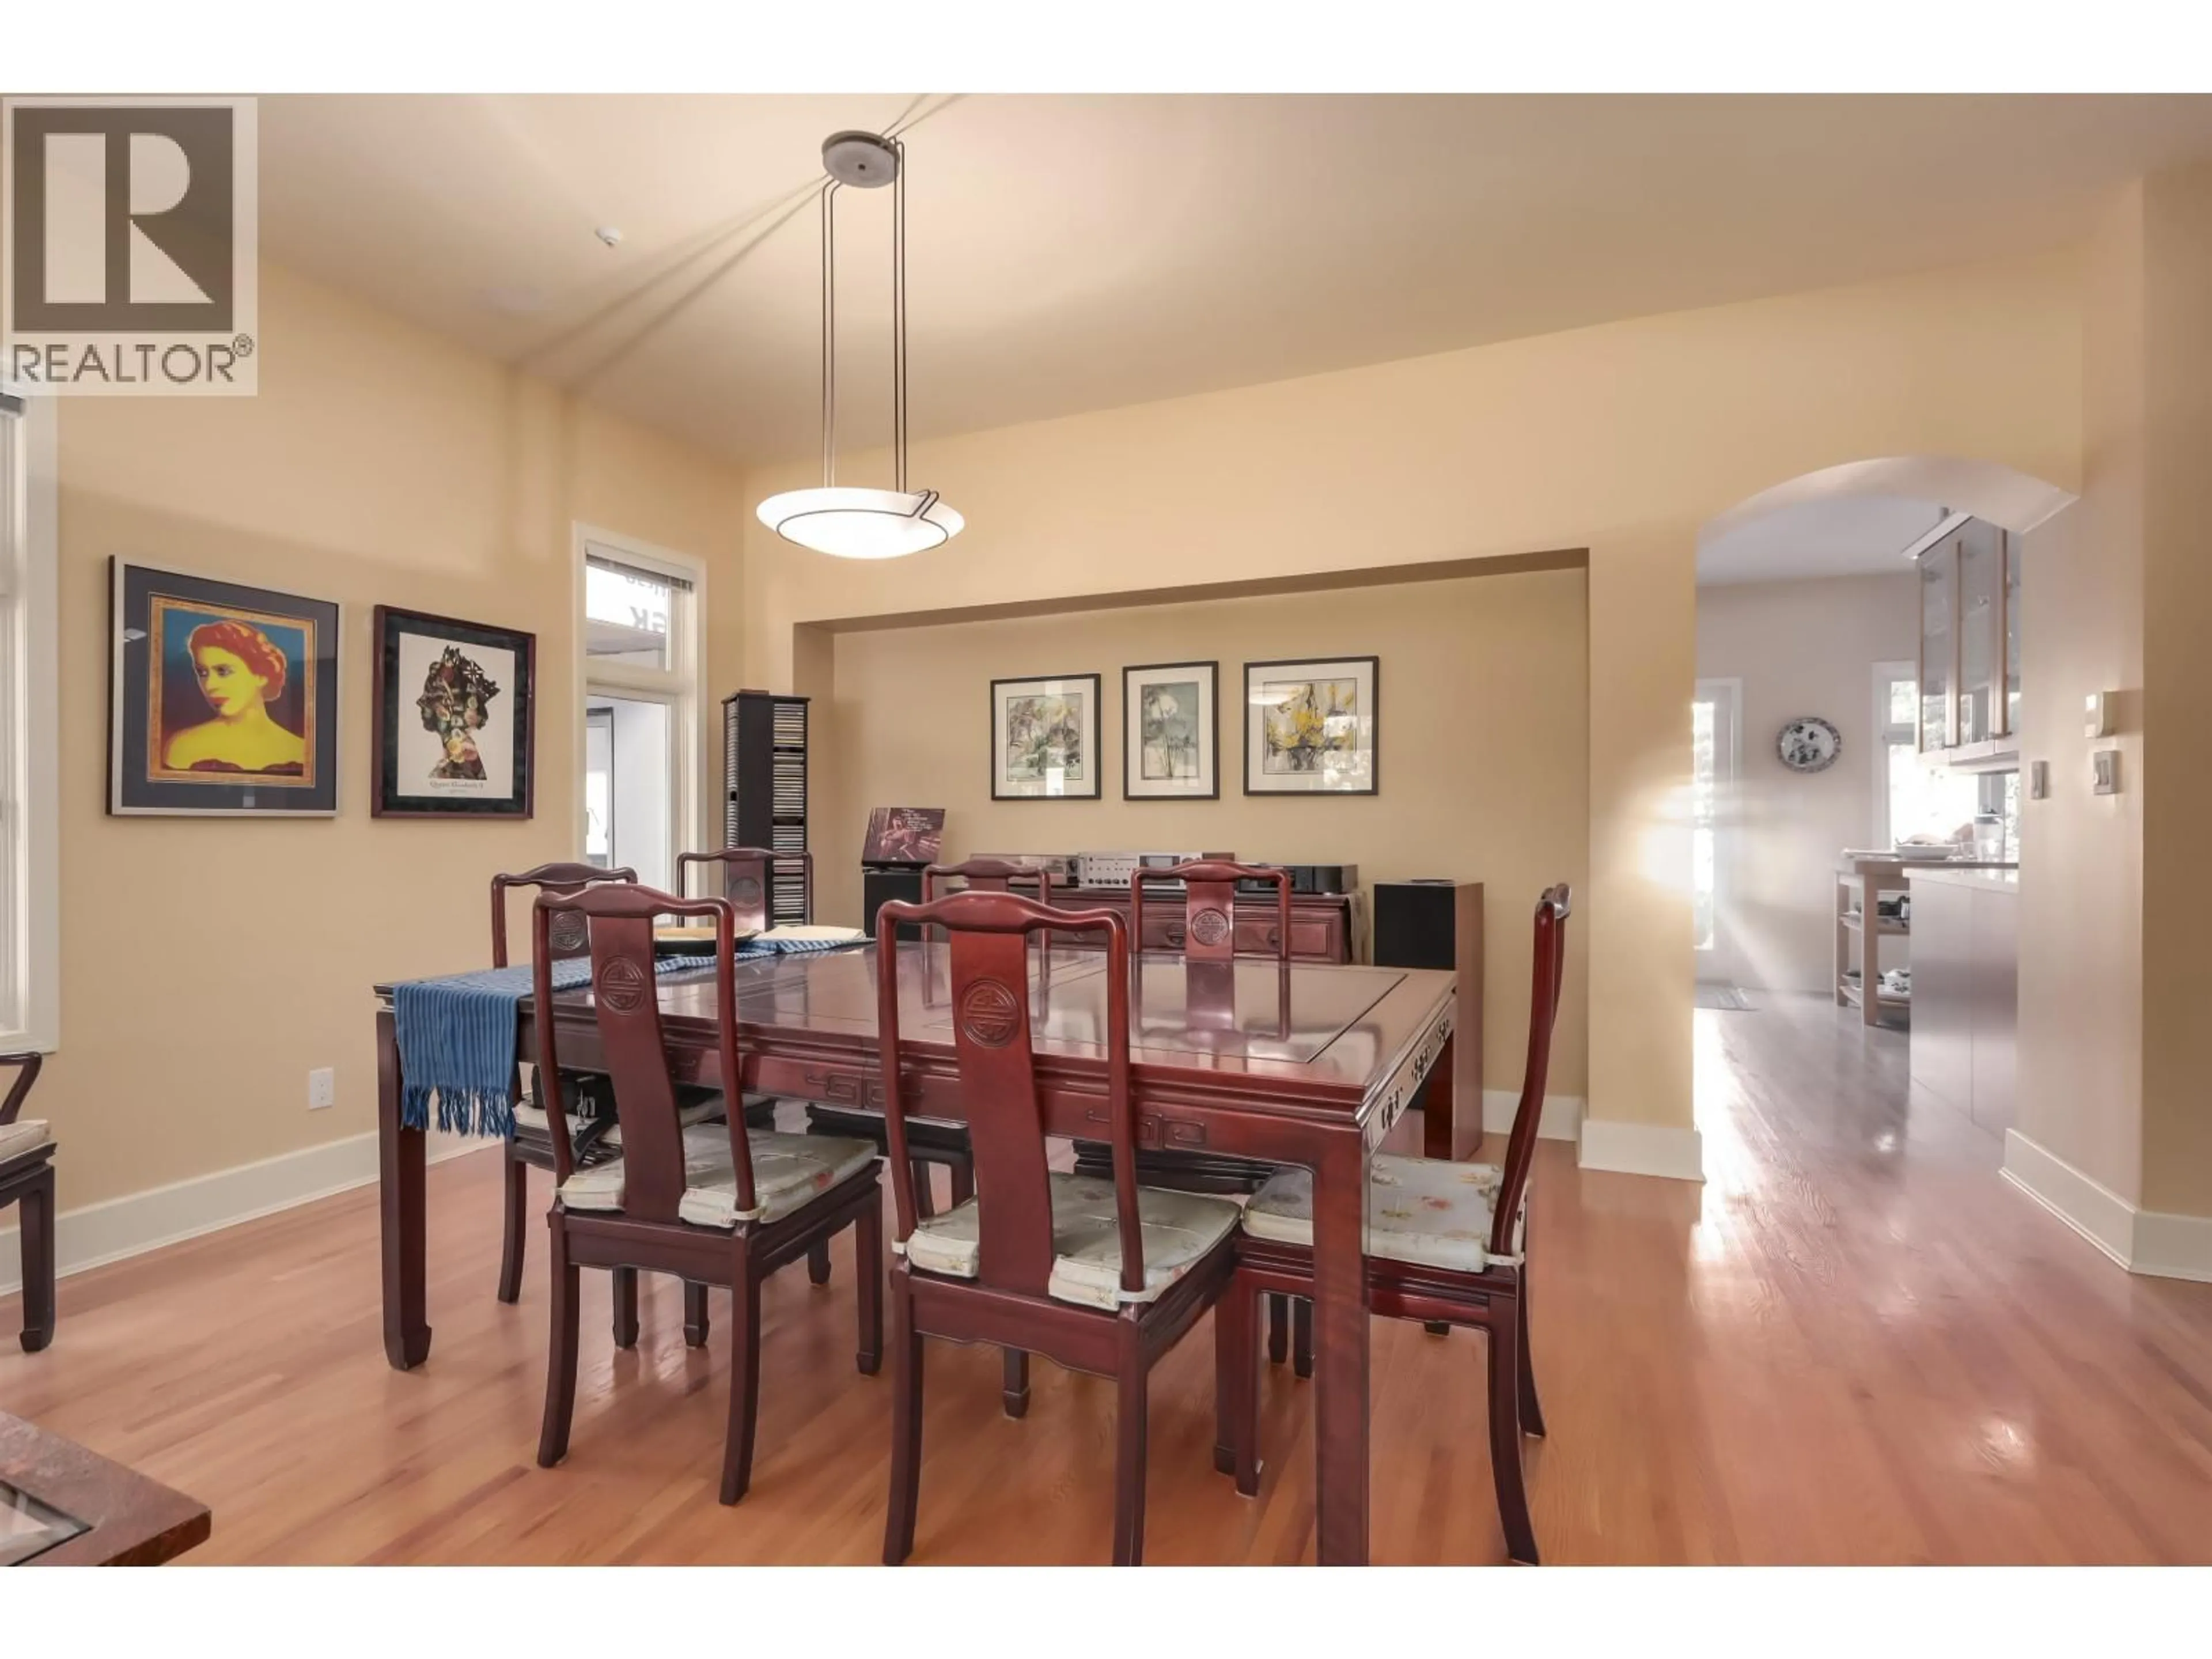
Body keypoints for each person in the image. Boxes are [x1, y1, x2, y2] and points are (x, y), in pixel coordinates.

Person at [162, 618, 308, 774]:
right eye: (202, 673)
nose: (209, 685)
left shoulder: (301, 750)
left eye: (223, 671)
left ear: (260, 676)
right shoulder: (183, 747)